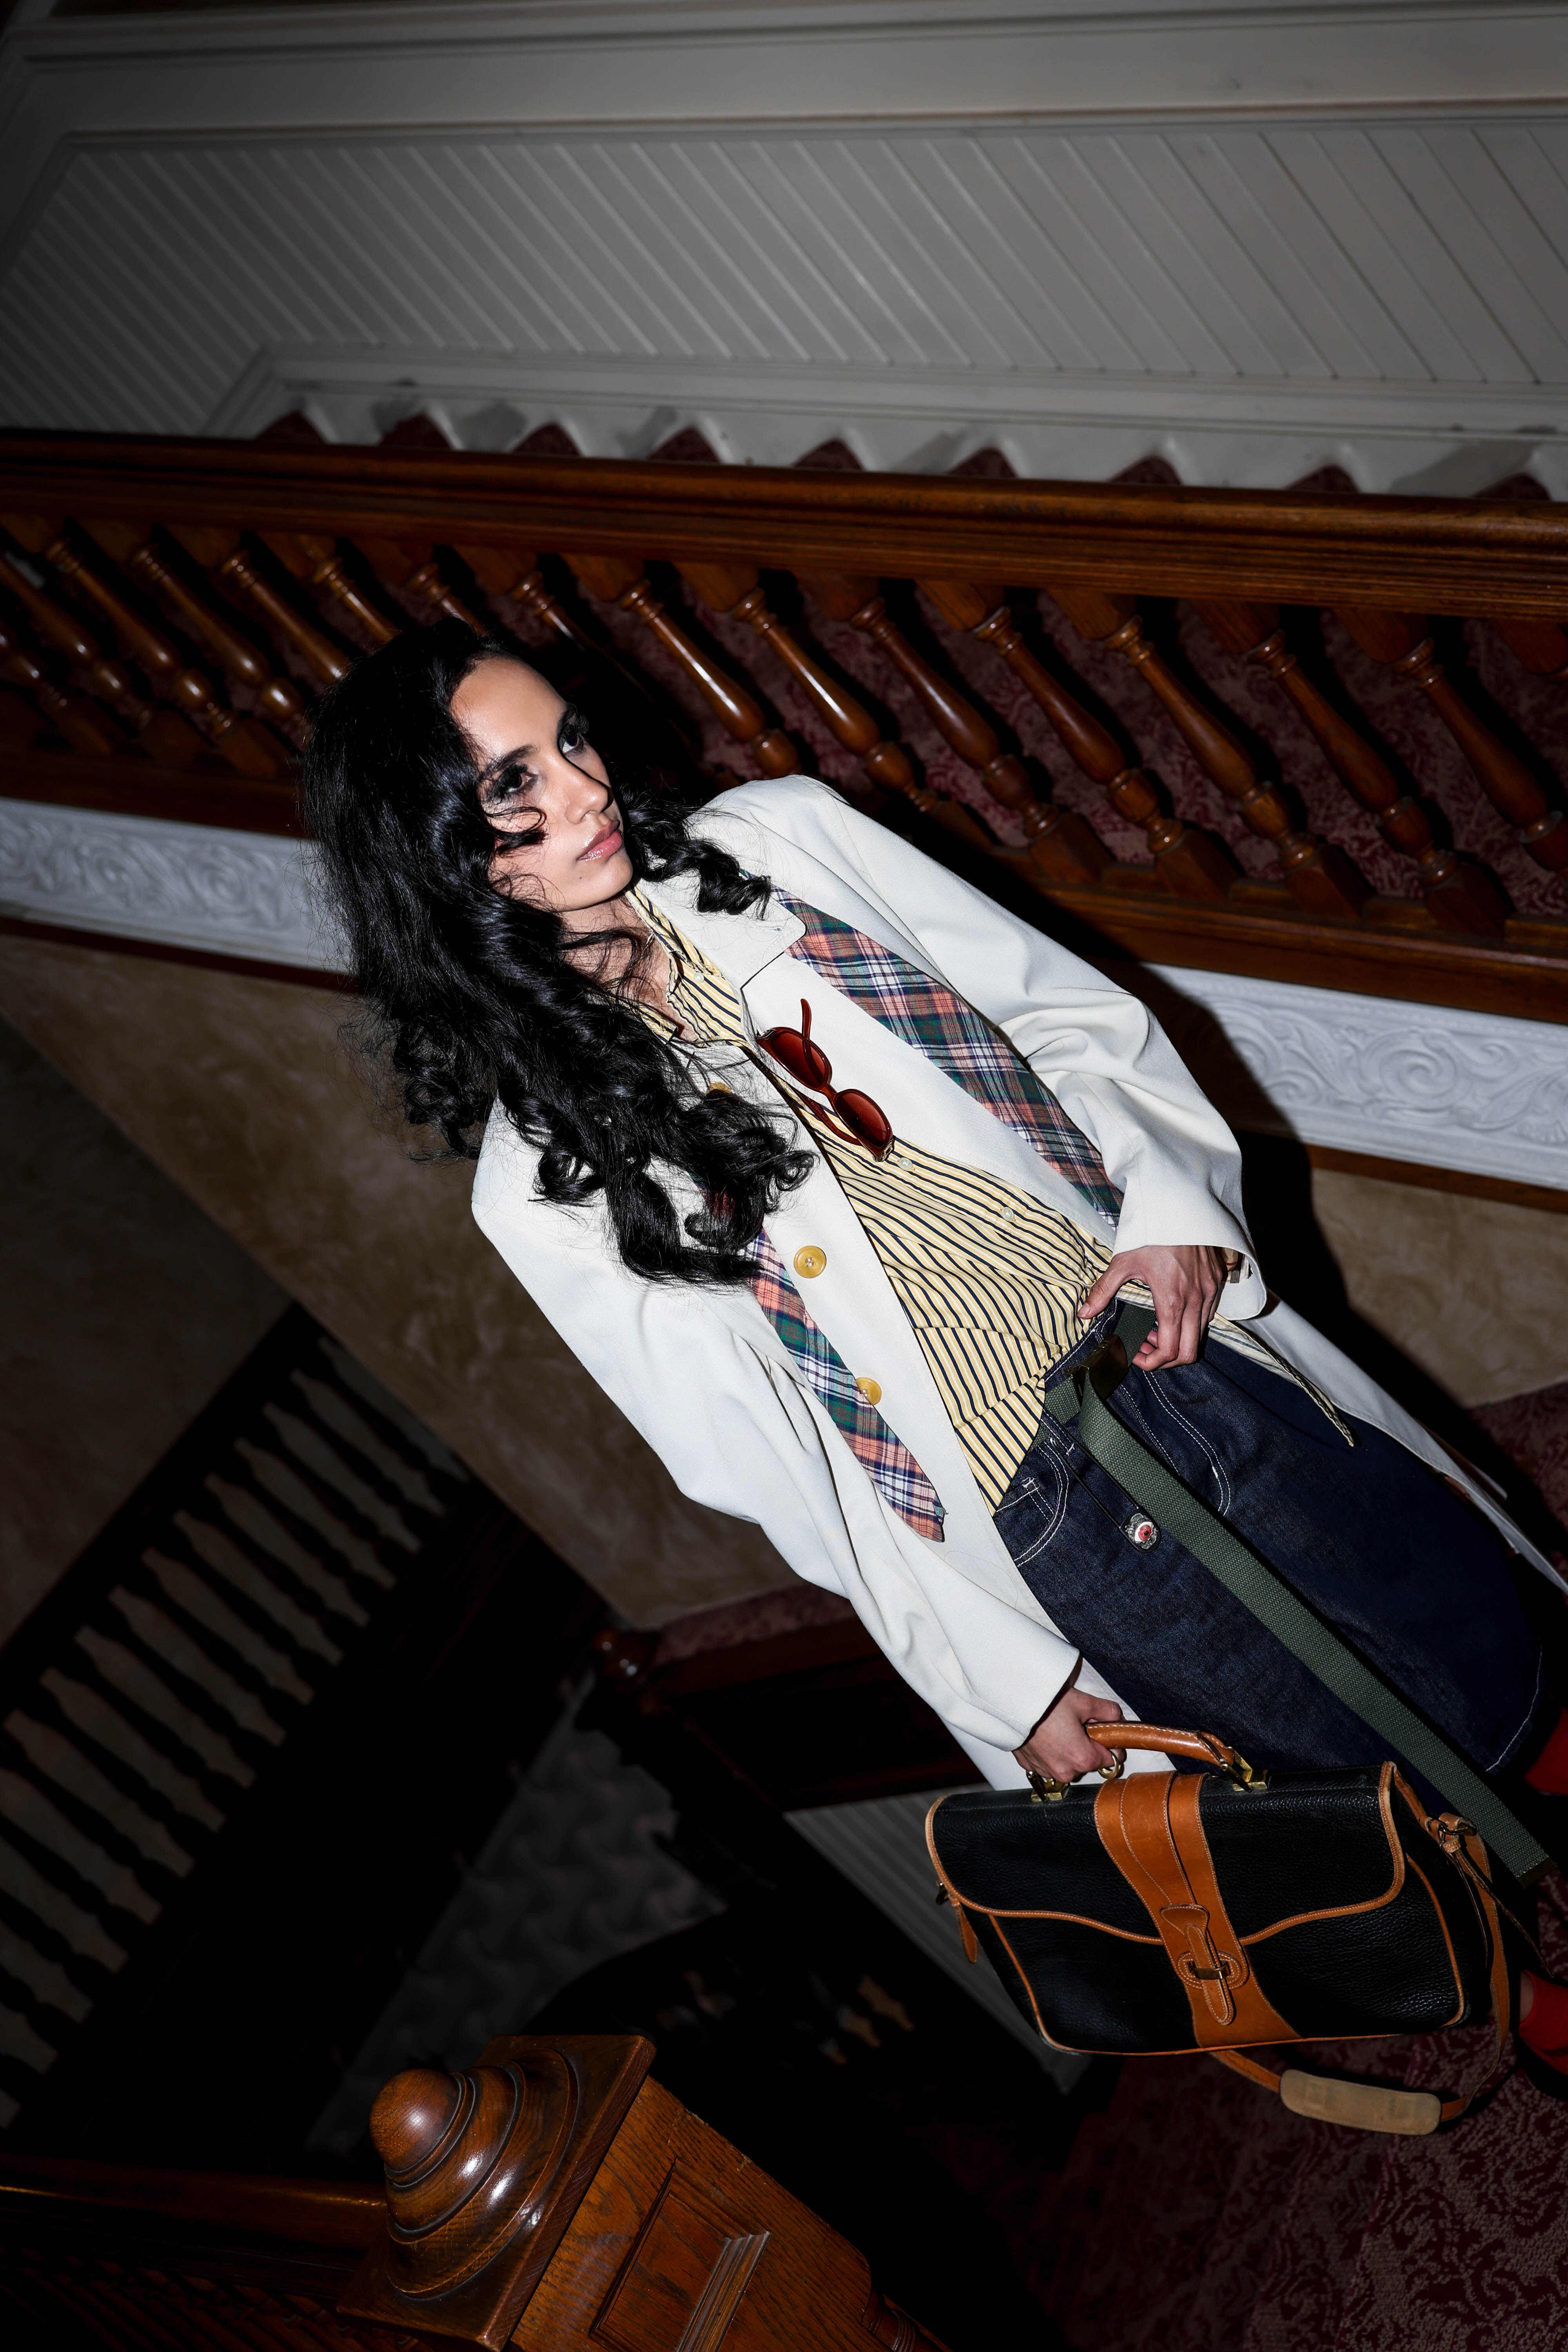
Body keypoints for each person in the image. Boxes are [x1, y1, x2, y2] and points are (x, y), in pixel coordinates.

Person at [304, 619, 1568, 2082]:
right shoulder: (541, 1178)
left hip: (1173, 1351)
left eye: (571, 739)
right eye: (513, 786)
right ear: (432, 852)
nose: (584, 790)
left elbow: (1067, 1020)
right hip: (1042, 1529)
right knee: (1338, 1808)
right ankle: (1531, 2002)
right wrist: (999, 1682)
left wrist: (1171, 1214)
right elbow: (779, 1473)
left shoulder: (780, 846)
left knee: (1480, 1638)